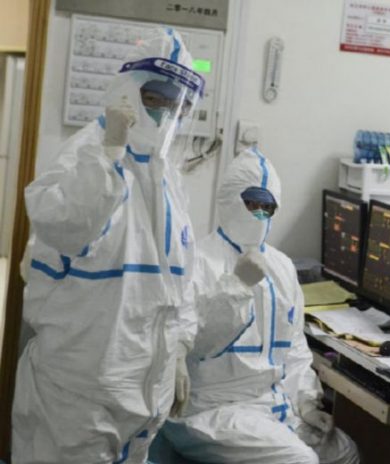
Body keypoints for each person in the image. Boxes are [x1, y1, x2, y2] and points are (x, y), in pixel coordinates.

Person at [12, 28, 204, 463]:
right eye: (156, 98)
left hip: (143, 390)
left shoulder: (168, 179)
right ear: (128, 91)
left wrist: (178, 351)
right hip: (78, 394)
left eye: (178, 105)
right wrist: (110, 151)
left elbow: (181, 281)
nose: (165, 113)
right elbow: (68, 226)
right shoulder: (87, 154)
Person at [163, 148, 359, 464]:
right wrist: (237, 287)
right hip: (213, 408)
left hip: (272, 404)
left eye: (268, 207)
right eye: (252, 203)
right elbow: (195, 345)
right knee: (301, 461)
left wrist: (307, 401)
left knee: (345, 452)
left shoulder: (281, 267)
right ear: (229, 199)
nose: (259, 214)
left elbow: (294, 346)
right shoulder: (196, 263)